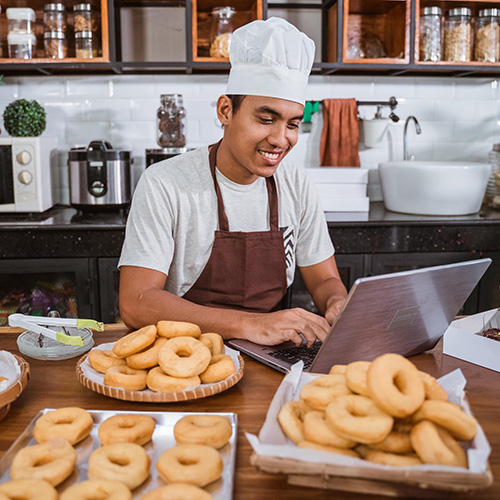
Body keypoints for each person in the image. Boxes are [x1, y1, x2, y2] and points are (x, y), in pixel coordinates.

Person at [118, 17, 347, 347]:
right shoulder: (165, 183)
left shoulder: (295, 183)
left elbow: (324, 277)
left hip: (275, 354)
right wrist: (251, 325)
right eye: (266, 119)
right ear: (226, 110)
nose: (280, 139)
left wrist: (336, 302)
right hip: (187, 357)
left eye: (293, 124)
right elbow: (136, 302)